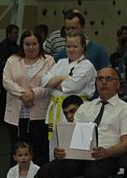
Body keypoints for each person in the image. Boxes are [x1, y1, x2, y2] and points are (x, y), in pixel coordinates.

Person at [2, 29, 54, 167]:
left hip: (40, 116)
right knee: (17, 152)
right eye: (27, 44)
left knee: (40, 151)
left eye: (34, 44)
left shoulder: (49, 61)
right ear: (22, 45)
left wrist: (34, 93)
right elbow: (6, 81)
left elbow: (50, 84)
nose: (31, 47)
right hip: (16, 116)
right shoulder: (12, 60)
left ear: (40, 44)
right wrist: (23, 94)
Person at [41, 33, 96, 161]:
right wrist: (63, 77)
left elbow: (72, 86)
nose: (71, 50)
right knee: (54, 146)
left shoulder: (87, 66)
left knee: (71, 147)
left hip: (75, 109)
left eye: (75, 46)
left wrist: (54, 82)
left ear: (83, 47)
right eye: (68, 46)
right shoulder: (61, 62)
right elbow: (44, 81)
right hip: (55, 109)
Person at [0, 24, 21, 119]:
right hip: (5, 74)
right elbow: (4, 61)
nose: (17, 35)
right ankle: (2, 117)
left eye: (17, 33)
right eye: (15, 33)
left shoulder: (16, 46)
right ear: (9, 33)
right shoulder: (3, 45)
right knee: (4, 96)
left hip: (16, 74)